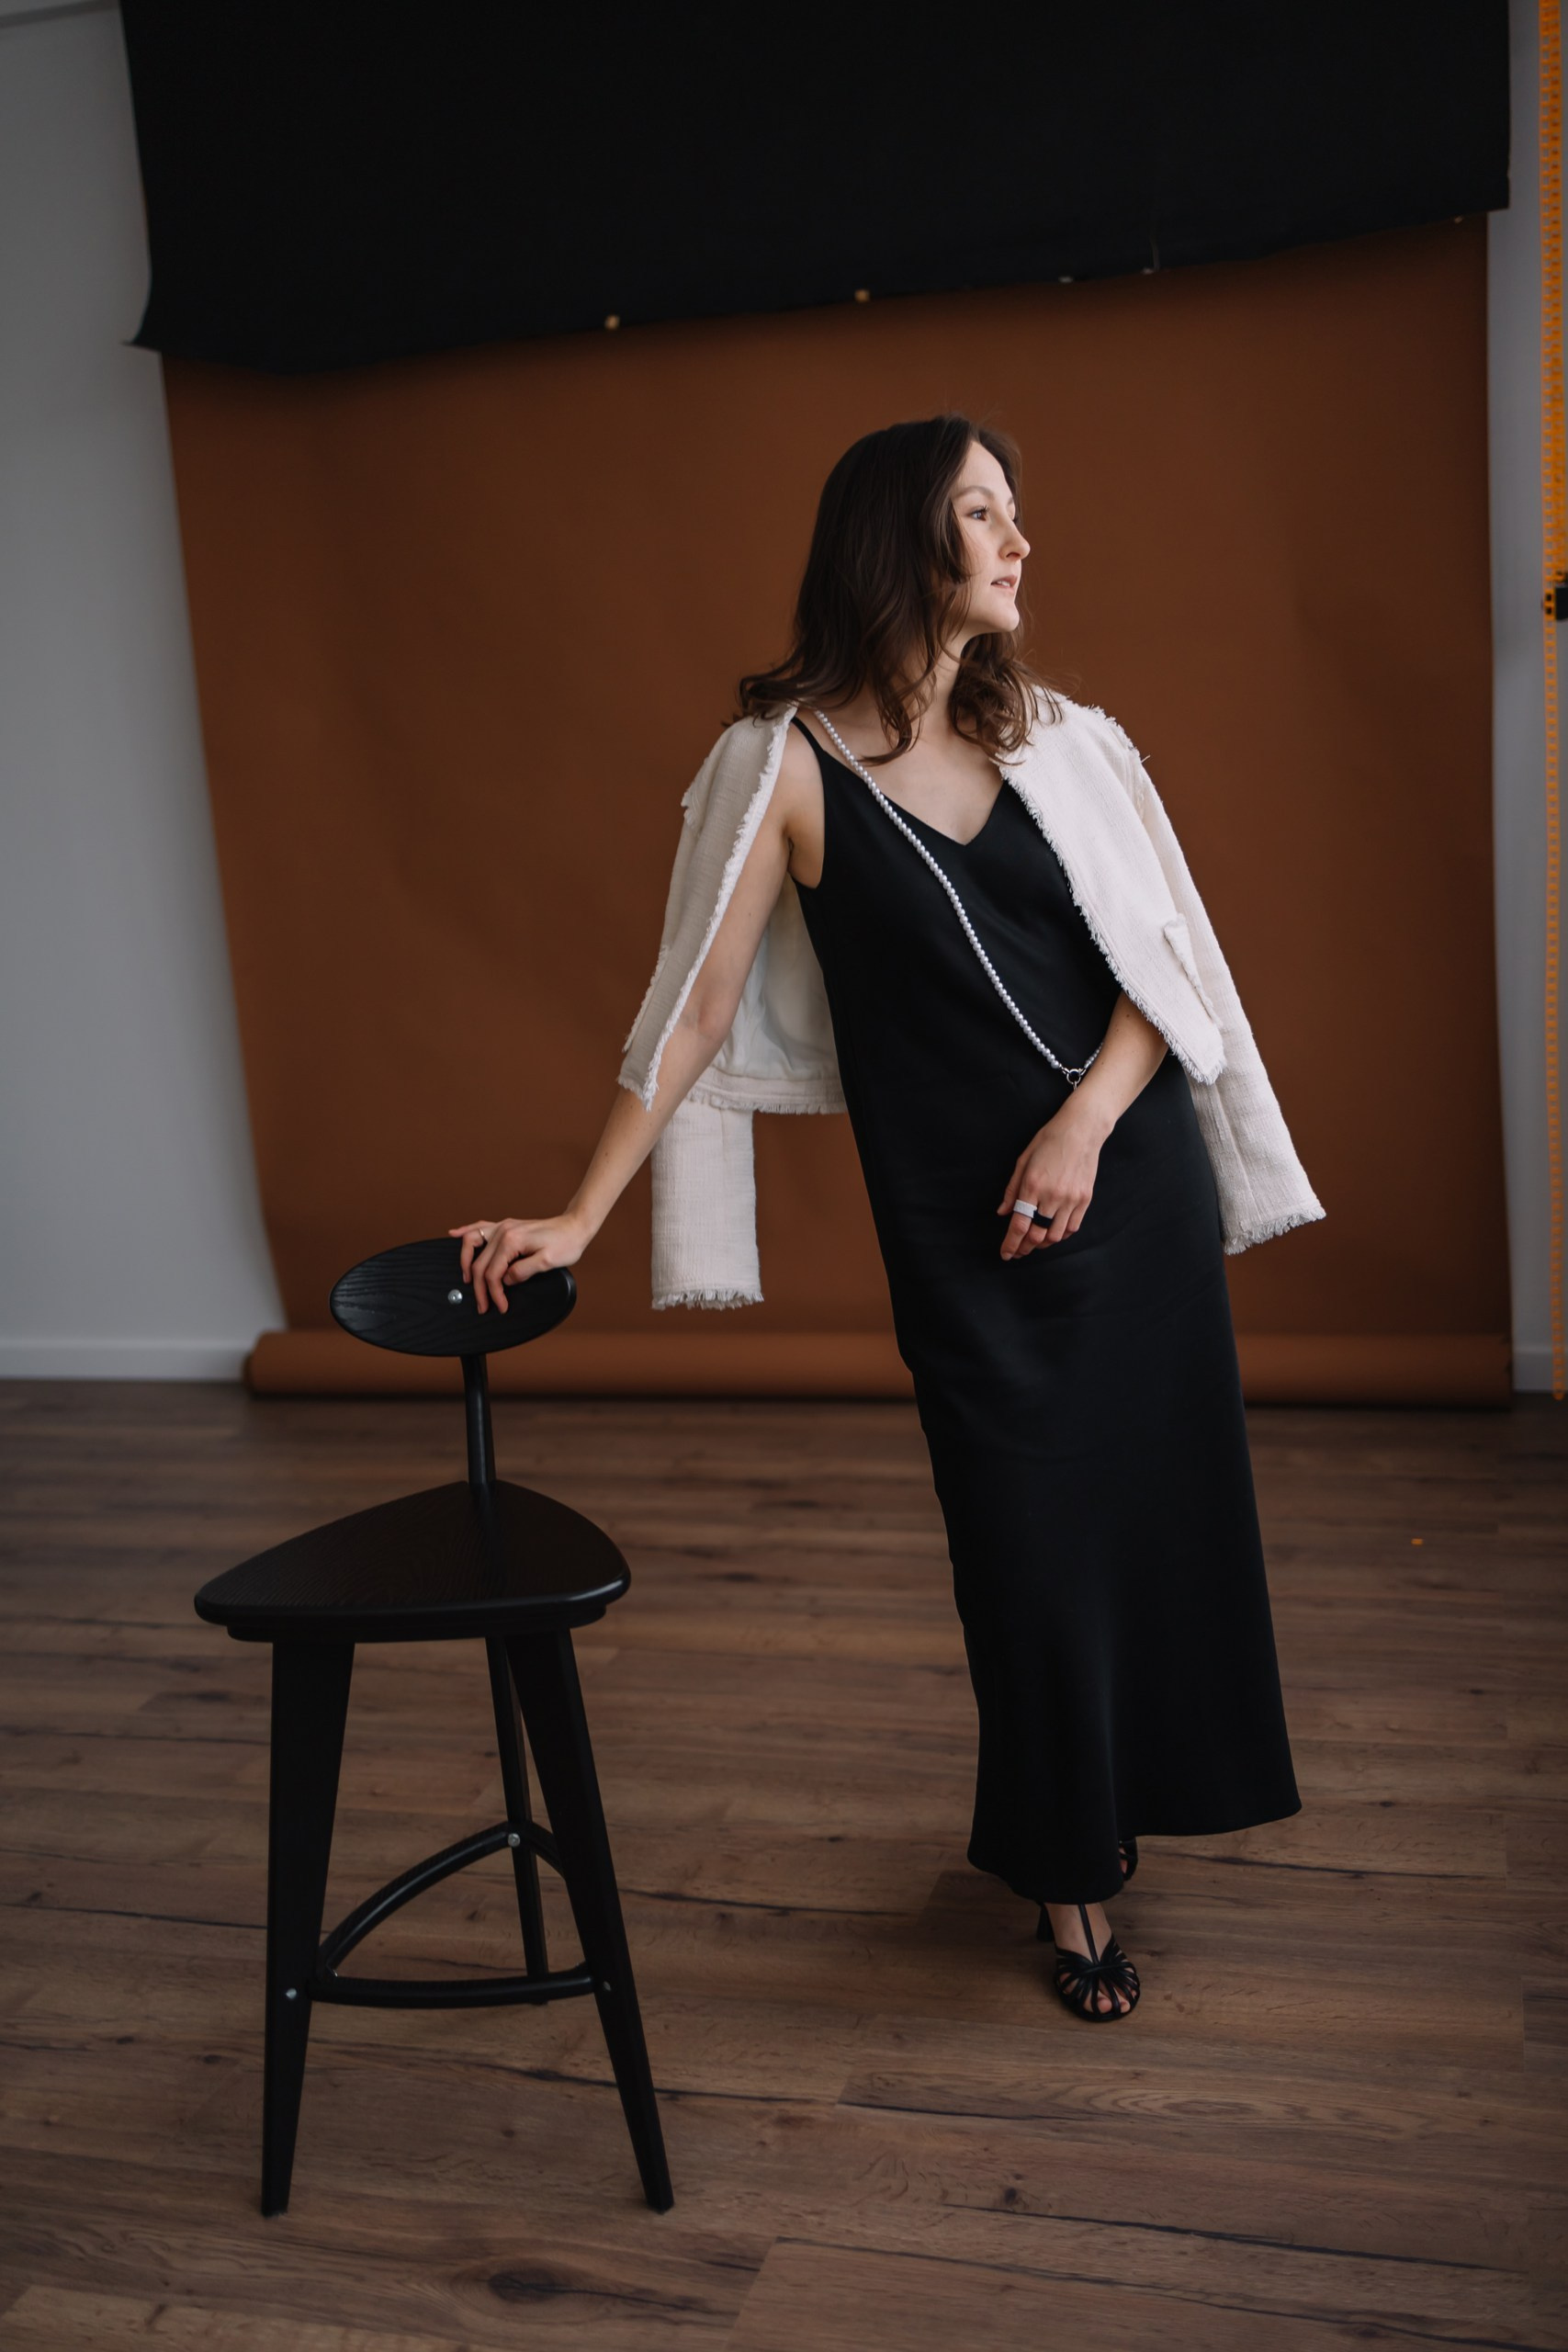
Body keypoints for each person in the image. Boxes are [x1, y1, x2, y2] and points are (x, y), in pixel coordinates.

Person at [452, 413, 1322, 2021]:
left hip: (1124, 1182)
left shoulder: (1069, 741)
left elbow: (1170, 970)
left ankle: (1119, 1816)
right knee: (1026, 1550)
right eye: (984, 513)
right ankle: (1068, 1874)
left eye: (1014, 512)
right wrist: (580, 1216)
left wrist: (1082, 1127)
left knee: (1158, 1519)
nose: (1019, 541)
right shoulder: (782, 766)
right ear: (899, 540)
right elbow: (693, 1010)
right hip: (967, 1240)